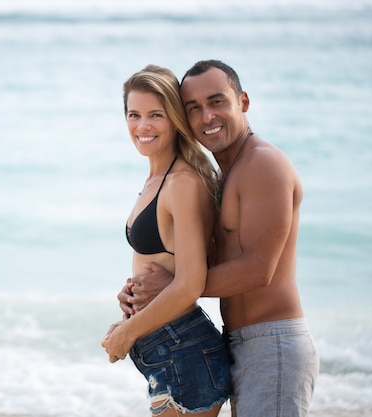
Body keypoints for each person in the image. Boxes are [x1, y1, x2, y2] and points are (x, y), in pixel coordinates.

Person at [116, 60, 319, 417]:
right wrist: (144, 289)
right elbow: (201, 259)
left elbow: (259, 269)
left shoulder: (263, 164)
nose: (206, 116)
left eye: (217, 101)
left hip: (272, 343)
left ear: (243, 101)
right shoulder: (226, 174)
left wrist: (177, 285)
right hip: (238, 340)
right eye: (194, 108)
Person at [101, 65, 231, 416]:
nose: (142, 126)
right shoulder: (156, 179)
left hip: (184, 349)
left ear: (174, 119)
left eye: (155, 115)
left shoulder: (183, 184)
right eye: (134, 114)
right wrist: (130, 311)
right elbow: (163, 265)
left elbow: (189, 284)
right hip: (168, 349)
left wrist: (126, 336)